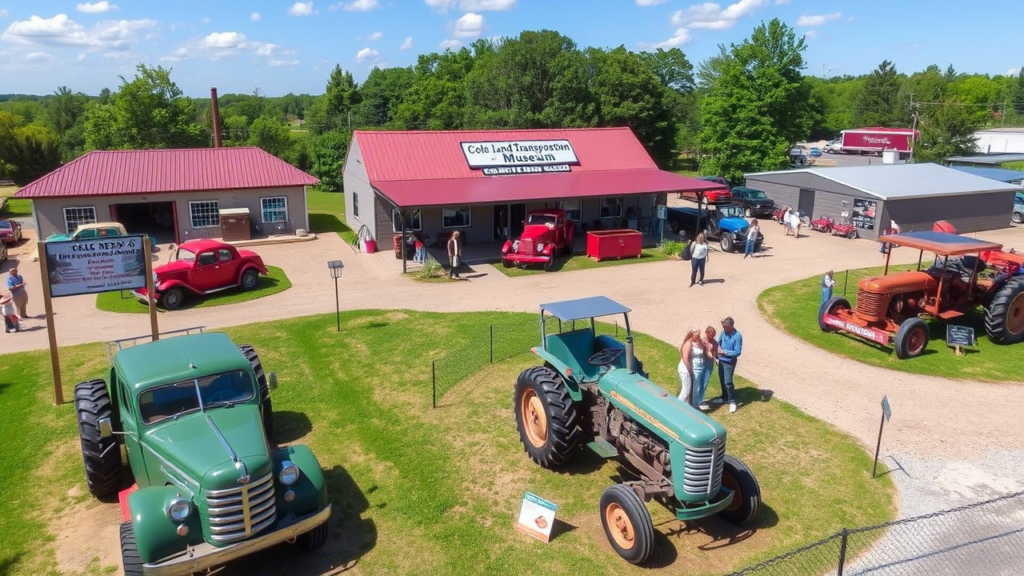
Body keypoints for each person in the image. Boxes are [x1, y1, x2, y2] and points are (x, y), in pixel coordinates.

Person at [712, 316, 743, 413]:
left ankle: (732, 401)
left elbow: (737, 352)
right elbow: (718, 343)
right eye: (724, 327)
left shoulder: (737, 336)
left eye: (726, 327)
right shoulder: (723, 333)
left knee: (728, 382)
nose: (724, 329)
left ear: (731, 326)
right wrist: (716, 353)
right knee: (722, 380)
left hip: (729, 361)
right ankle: (724, 397)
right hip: (721, 360)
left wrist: (724, 352)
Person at [695, 326, 719, 410]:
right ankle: (694, 400)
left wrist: (716, 358)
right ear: (706, 333)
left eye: (713, 335)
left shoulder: (715, 343)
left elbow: (716, 353)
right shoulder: (702, 341)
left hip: (708, 366)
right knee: (697, 382)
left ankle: (699, 401)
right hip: (700, 364)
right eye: (710, 335)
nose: (711, 337)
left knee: (704, 384)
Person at [677, 330, 702, 404]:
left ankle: (686, 407)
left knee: (687, 390)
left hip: (684, 369)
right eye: (697, 336)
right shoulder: (688, 344)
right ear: (692, 336)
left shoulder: (690, 343)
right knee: (685, 390)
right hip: (685, 370)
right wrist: (689, 370)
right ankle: (677, 406)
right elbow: (685, 359)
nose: (698, 337)